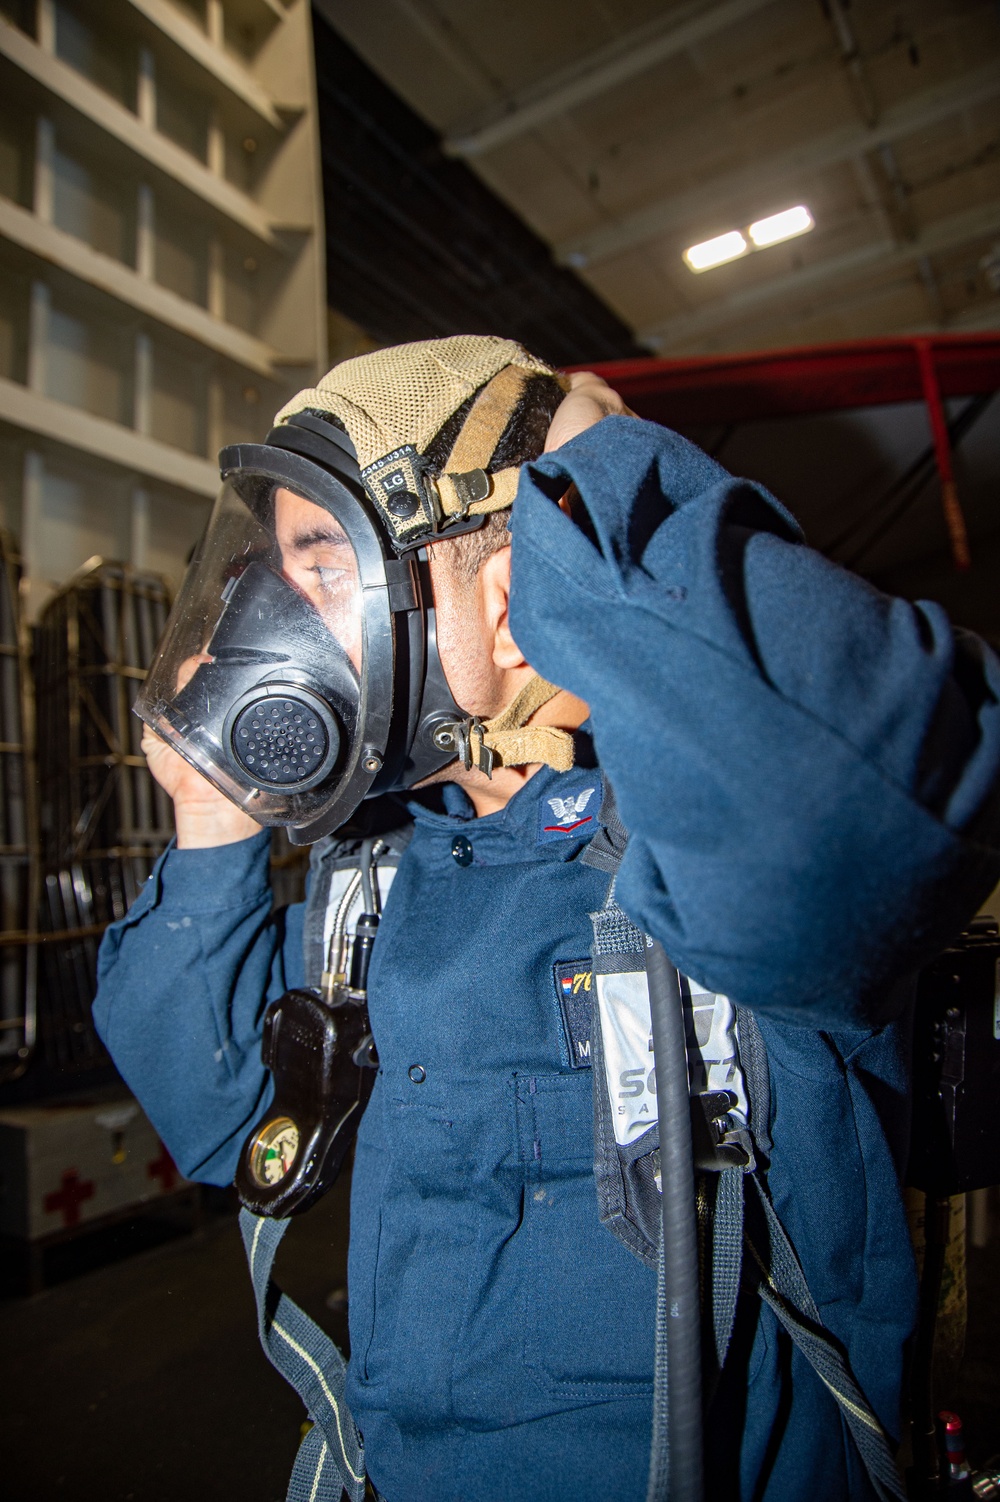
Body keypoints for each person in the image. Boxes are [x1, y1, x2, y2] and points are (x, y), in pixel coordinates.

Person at [93, 336, 1000, 1502]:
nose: (275, 618)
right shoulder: (384, 870)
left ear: (511, 600)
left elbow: (854, 778)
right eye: (272, 574)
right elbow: (219, 1121)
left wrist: (592, 459)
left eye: (320, 567)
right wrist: (211, 825)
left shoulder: (697, 834)